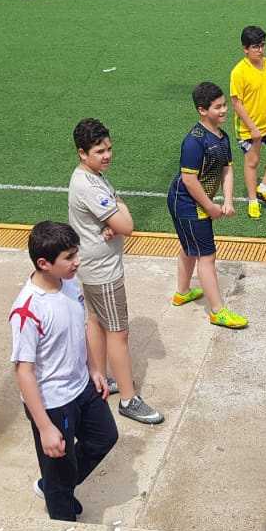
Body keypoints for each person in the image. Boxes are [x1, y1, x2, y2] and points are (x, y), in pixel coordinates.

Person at [10, 221, 118, 522]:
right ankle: (62, 519)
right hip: (53, 402)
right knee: (59, 466)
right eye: (69, 257)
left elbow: (79, 329)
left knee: (104, 437)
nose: (77, 262)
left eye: (76, 254)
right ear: (44, 263)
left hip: (82, 385)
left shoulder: (69, 284)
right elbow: (24, 372)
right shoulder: (27, 310)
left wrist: (94, 368)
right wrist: (45, 427)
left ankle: (55, 486)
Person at [68, 118, 164, 425]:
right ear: (82, 153)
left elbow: (117, 223)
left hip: (91, 266)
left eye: (108, 149)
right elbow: (127, 225)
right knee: (118, 332)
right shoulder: (89, 185)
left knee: (96, 322)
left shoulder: (91, 176)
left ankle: (99, 379)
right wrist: (117, 211)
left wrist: (114, 218)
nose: (107, 155)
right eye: (99, 151)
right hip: (104, 272)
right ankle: (128, 398)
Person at [166, 81, 249, 329]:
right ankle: (217, 311)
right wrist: (210, 206)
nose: (224, 110)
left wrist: (228, 200)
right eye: (218, 107)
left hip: (196, 202)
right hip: (187, 204)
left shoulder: (222, 137)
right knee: (207, 255)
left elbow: (227, 170)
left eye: (224, 105)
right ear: (202, 110)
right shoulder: (194, 141)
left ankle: (182, 293)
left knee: (190, 246)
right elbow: (189, 180)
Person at [229, 25, 266, 220]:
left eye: (262, 45)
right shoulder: (239, 72)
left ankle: (264, 188)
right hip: (248, 129)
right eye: (255, 47)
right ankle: (253, 201)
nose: (260, 50)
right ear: (245, 49)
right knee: (252, 162)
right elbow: (236, 103)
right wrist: (253, 128)